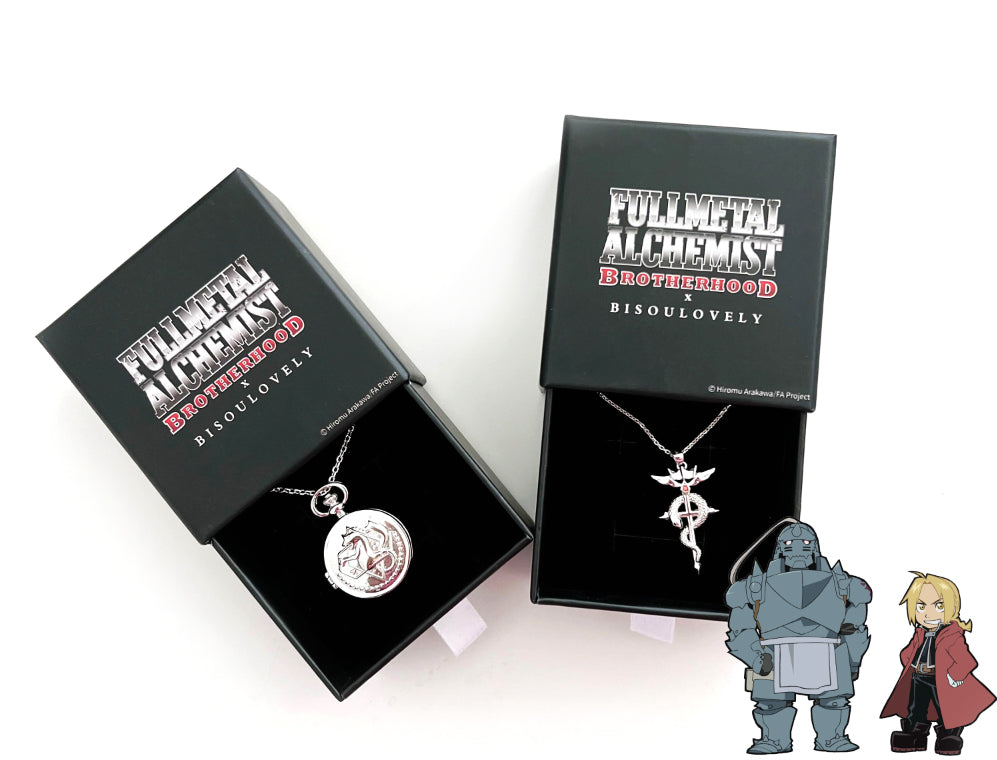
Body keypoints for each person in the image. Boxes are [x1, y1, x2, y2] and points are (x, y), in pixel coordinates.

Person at [725, 522, 871, 753]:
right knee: (771, 702)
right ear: (780, 549)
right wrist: (755, 656)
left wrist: (852, 659)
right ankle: (775, 739)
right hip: (774, 650)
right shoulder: (755, 586)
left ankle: (831, 738)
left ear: (814, 548)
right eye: (790, 545)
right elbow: (741, 626)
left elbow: (856, 619)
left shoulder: (842, 583)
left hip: (826, 647)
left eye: (804, 545)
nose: (797, 552)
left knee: (833, 700)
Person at [880, 572, 994, 755]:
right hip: (919, 676)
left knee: (946, 709)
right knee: (915, 708)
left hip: (940, 680)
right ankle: (914, 735)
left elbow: (967, 661)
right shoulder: (920, 633)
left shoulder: (952, 636)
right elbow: (908, 653)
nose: (928, 613)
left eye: (939, 606)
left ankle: (947, 738)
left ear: (951, 608)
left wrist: (954, 676)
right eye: (921, 606)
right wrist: (908, 661)